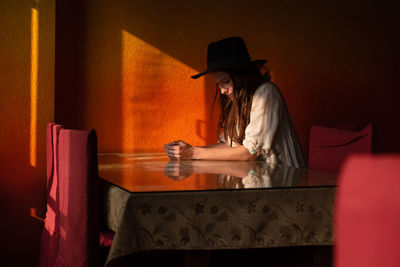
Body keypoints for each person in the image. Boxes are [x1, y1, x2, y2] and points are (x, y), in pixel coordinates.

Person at [164, 37, 306, 168]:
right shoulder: (238, 100)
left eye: (225, 81)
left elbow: (249, 152)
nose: (222, 91)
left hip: (285, 180)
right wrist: (187, 151)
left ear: (242, 75)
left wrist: (194, 153)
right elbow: (230, 145)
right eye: (218, 84)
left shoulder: (266, 93)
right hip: (261, 179)